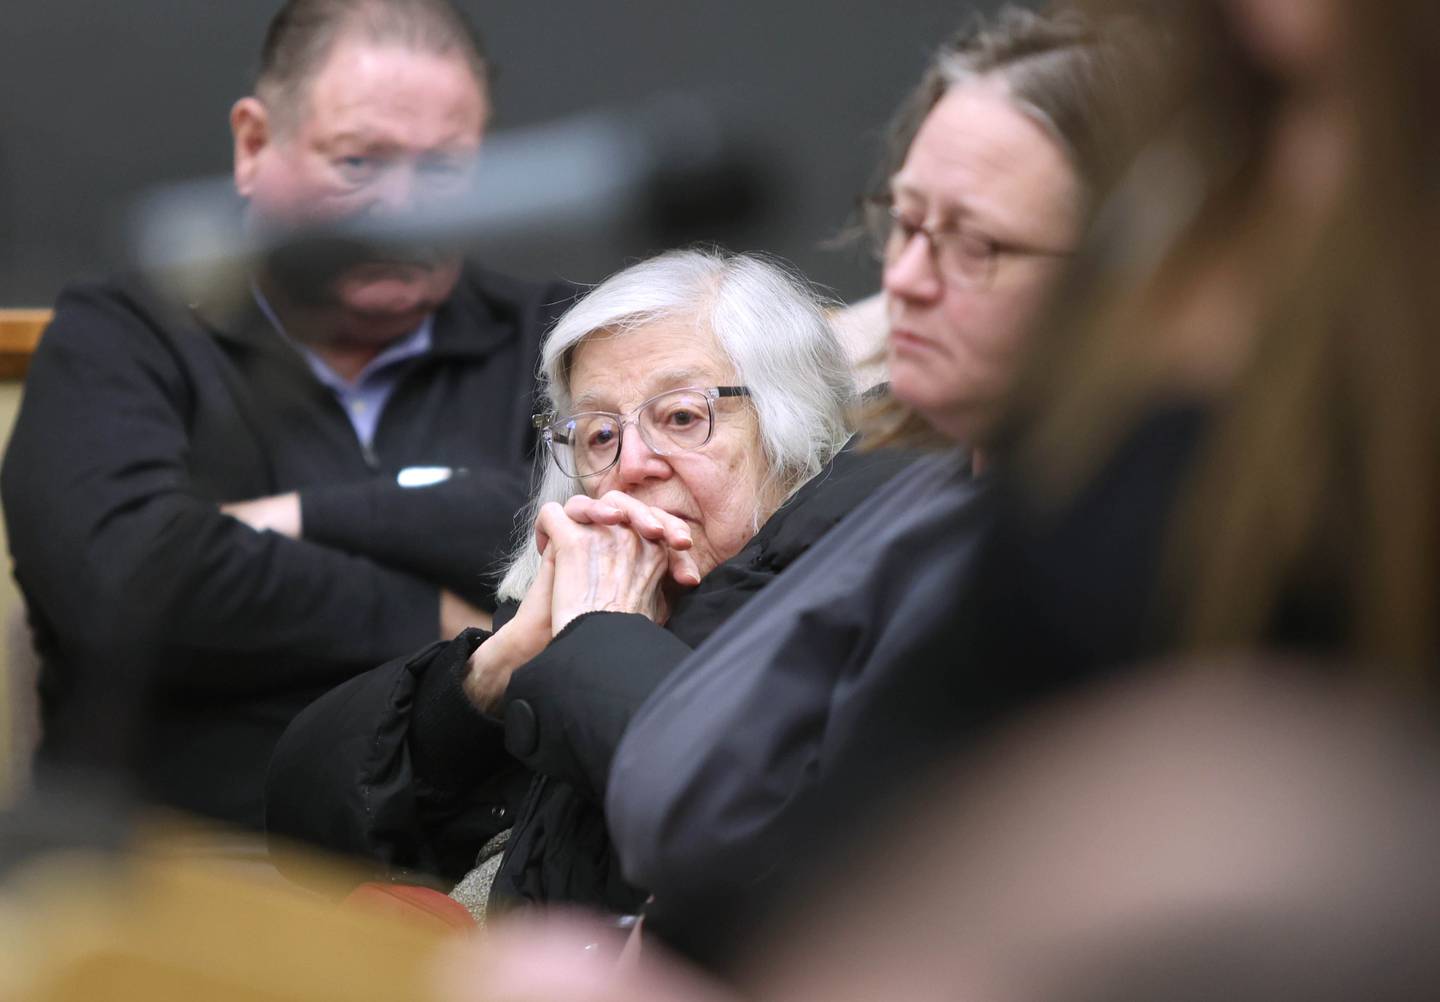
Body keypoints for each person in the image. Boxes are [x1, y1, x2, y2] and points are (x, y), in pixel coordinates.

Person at [604, 6, 1140, 969]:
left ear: (1127, 273)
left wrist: (581, 644)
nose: (908, 277)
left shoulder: (1096, 553)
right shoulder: (918, 488)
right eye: (906, 222)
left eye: (977, 245)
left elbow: (757, 839)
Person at [0, 0, 574, 829]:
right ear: (253, 145)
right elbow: (123, 578)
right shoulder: (121, 338)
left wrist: (293, 518)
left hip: (478, 868)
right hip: (188, 868)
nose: (405, 209)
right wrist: (440, 621)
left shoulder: (555, 338)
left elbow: (579, 544)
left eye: (444, 170)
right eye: (359, 162)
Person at [264, 248, 917, 917]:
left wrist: (603, 638)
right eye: (600, 434)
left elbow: (752, 835)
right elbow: (302, 825)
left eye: (682, 418)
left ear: (795, 428)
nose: (630, 465)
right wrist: (500, 664)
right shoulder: (574, 613)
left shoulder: (886, 562)